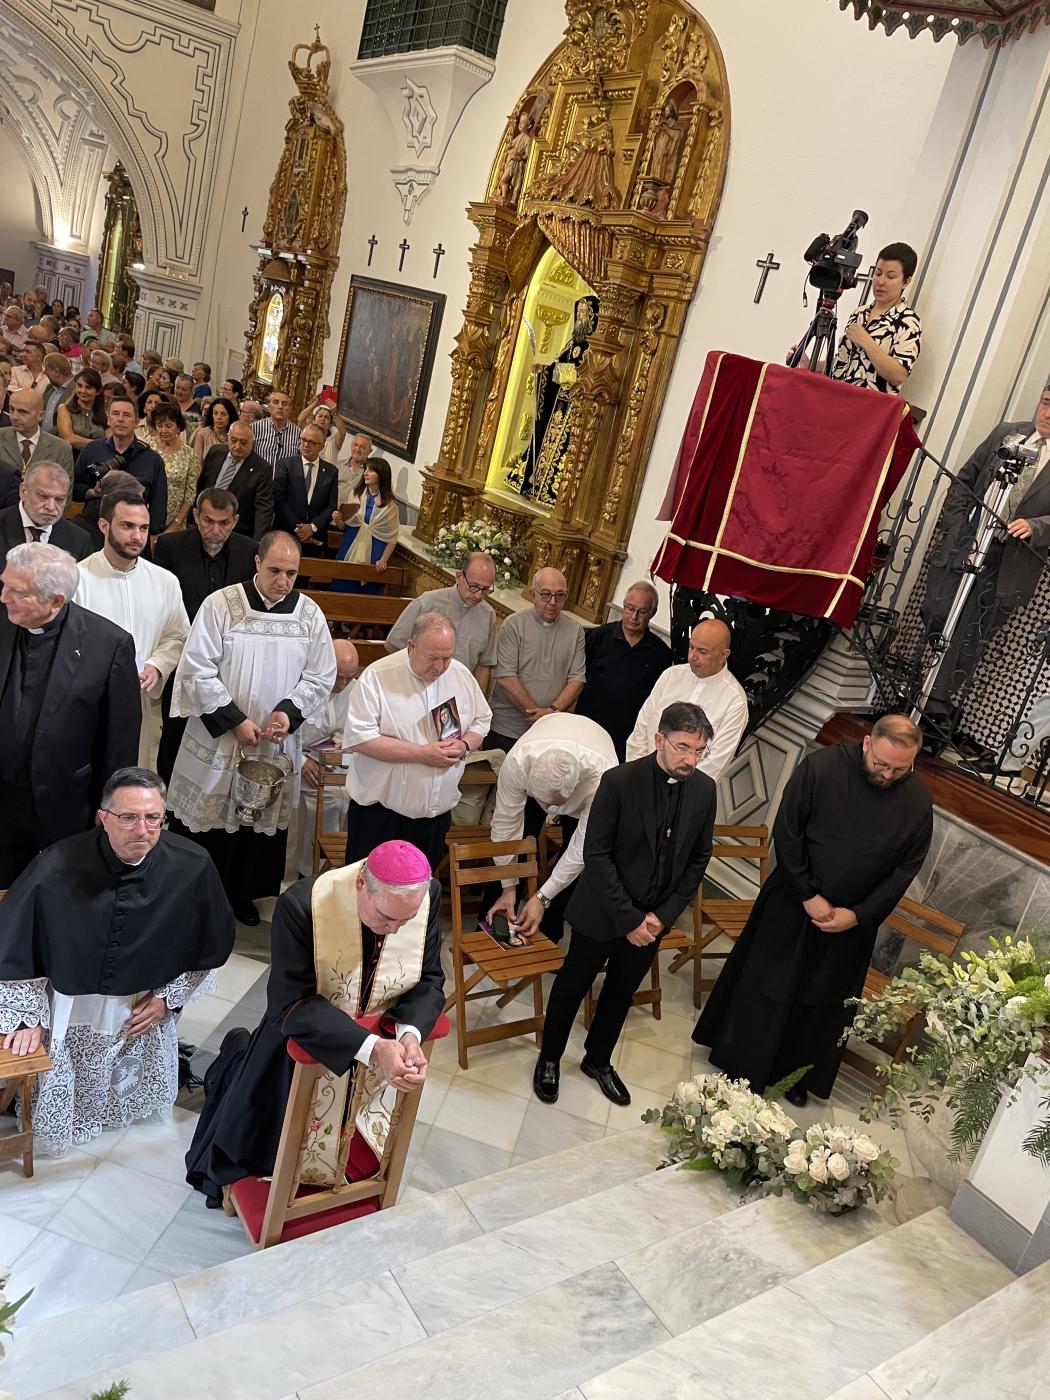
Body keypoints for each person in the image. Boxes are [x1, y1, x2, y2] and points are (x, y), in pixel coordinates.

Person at [185, 840, 444, 1208]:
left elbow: (429, 979)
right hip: (304, 1044)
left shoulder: (427, 895)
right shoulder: (303, 905)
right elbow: (290, 1005)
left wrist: (410, 1035)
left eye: (406, 920)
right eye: (386, 918)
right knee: (260, 1143)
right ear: (360, 886)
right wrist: (375, 1049)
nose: (397, 931)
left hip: (378, 1043)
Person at [693, 716, 933, 1106]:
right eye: (882, 764)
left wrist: (858, 915)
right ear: (867, 744)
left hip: (851, 924)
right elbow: (788, 831)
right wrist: (808, 894)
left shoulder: (918, 801)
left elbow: (907, 868)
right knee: (769, 985)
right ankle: (741, 1062)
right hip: (793, 902)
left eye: (900, 769)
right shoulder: (822, 768)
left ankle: (794, 1076)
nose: (888, 775)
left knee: (820, 1000)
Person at [0, 767, 235, 1157]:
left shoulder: (192, 866)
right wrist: (29, 1015)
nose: (141, 830)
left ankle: (116, 1108)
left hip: (139, 999)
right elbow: (15, 938)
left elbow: (210, 945)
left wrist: (166, 1000)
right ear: (103, 817)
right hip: (71, 998)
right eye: (127, 817)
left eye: (152, 818)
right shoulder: (57, 865)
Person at [534, 702, 716, 1107]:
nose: (691, 759)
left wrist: (660, 917)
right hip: (602, 911)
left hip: (654, 920)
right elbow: (596, 856)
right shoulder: (618, 782)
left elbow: (698, 859)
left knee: (620, 991)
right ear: (659, 740)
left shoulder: (705, 790)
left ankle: (597, 1060)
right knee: (571, 986)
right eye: (683, 747)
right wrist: (630, 918)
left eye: (699, 750)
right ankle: (549, 1059)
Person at [167, 530, 336, 925]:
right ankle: (196, 896)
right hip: (221, 739)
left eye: (292, 573)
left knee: (256, 822)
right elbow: (196, 670)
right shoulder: (222, 605)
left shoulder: (309, 615)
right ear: (257, 563)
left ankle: (240, 896)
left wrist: (286, 714)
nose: (283, 580)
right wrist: (235, 721)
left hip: (273, 743)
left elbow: (320, 676)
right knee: (211, 820)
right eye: (275, 570)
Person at [0, 542, 140, 884]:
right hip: (2, 801)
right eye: (4, 584)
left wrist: (111, 809)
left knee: (61, 896)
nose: (4, 597)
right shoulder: (4, 620)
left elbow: (118, 743)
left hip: (63, 804)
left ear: (55, 601)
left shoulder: (109, 645)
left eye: (17, 592)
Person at [920, 384, 1050, 750]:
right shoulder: (1005, 433)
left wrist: (1038, 528)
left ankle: (934, 709)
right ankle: (929, 697)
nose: (1047, 413)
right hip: (964, 547)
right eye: (1045, 403)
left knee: (970, 635)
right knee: (936, 611)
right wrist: (957, 529)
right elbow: (964, 479)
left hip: (1010, 562)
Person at [343, 613, 492, 868]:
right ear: (411, 646)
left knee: (418, 897)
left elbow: (482, 720)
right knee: (367, 896)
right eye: (432, 658)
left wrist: (465, 744)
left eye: (447, 657)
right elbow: (361, 738)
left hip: (434, 818)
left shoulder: (460, 675)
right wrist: (422, 754)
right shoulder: (378, 677)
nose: (440, 667)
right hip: (382, 818)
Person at [76, 488, 190, 765]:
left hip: (141, 698)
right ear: (104, 525)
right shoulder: (78, 579)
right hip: (89, 700)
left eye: (143, 527)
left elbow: (177, 636)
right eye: (127, 526)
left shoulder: (165, 581)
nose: (137, 536)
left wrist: (157, 665)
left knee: (135, 776)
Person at [153, 486, 258, 781]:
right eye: (208, 521)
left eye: (224, 523)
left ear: (235, 521)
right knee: (176, 728)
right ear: (196, 516)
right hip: (182, 654)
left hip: (228, 659)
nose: (215, 530)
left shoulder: (250, 552)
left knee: (220, 732)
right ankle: (170, 793)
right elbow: (161, 602)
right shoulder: (170, 547)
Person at [485, 712, 618, 941]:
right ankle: (498, 921)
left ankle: (548, 930)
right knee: (522, 838)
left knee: (573, 858)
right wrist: (508, 886)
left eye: (553, 804)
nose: (548, 810)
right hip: (544, 747)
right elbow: (505, 828)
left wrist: (543, 897)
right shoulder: (517, 761)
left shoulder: (605, 779)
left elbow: (581, 849)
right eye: (543, 803)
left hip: (594, 760)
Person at [627, 619, 748, 782]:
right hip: (639, 776)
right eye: (691, 647)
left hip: (681, 794)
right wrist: (636, 774)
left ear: (723, 656)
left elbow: (714, 765)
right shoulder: (671, 675)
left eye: (702, 652)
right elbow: (642, 728)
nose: (692, 657)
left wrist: (669, 790)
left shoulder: (734, 701)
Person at [486, 567, 586, 752]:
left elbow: (577, 679)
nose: (552, 602)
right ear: (533, 594)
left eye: (560, 595)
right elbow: (506, 676)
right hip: (507, 729)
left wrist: (551, 713)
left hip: (548, 733)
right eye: (546, 594)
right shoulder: (514, 625)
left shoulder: (575, 630)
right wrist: (537, 715)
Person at [575, 580, 673, 759]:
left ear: (653, 613)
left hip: (625, 740)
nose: (633, 616)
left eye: (642, 611)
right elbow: (577, 679)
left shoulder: (661, 654)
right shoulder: (598, 638)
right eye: (629, 608)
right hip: (586, 728)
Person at [384, 550, 499, 692]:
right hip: (419, 686)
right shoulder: (427, 603)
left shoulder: (487, 615)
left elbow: (483, 666)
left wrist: (477, 703)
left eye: (486, 589)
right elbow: (393, 645)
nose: (478, 595)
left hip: (457, 691)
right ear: (459, 577)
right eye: (474, 586)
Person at [293, 639, 358, 878]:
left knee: (352, 797)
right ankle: (307, 871)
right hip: (298, 760)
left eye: (348, 677)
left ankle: (342, 869)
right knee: (326, 801)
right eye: (338, 676)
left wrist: (344, 743)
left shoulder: (356, 689)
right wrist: (300, 760)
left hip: (335, 762)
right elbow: (280, 732)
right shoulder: (300, 683)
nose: (342, 684)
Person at [828, 243, 921, 395]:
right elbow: (842, 365)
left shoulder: (909, 321)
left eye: (890, 276)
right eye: (878, 273)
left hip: (869, 410)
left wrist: (865, 341)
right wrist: (809, 363)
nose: (881, 281)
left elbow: (898, 375)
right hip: (836, 399)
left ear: (906, 281)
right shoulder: (860, 312)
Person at [75, 395, 168, 536]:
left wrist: (150, 536)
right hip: (94, 530)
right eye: (115, 414)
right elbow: (74, 488)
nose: (120, 419)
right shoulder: (91, 450)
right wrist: (93, 492)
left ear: (136, 422)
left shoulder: (152, 459)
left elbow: (158, 507)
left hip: (134, 533)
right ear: (108, 419)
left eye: (126, 415)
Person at [0, 461, 91, 570]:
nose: (51, 507)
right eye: (43, 496)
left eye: (59, 499)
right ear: (23, 491)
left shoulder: (80, 540)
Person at [199, 419, 274, 540]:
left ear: (253, 443)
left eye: (244, 442)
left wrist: (257, 542)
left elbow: (263, 508)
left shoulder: (262, 468)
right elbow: (201, 486)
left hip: (238, 532)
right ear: (227, 438)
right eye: (233, 440)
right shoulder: (215, 452)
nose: (237, 446)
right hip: (206, 525)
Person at [333, 456, 399, 592]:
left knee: (366, 592)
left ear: (381, 475)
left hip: (375, 551)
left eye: (371, 470)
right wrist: (339, 519)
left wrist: (384, 560)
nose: (366, 473)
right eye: (366, 469)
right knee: (342, 585)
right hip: (350, 544)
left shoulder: (391, 506)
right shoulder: (355, 494)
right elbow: (344, 526)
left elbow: (392, 538)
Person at [273, 422, 338, 554]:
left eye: (312, 442)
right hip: (286, 533)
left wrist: (313, 527)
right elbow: (279, 500)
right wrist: (298, 529)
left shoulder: (331, 471)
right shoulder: (285, 465)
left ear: (322, 446)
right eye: (303, 440)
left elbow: (331, 506)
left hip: (314, 538)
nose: (306, 444)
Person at [0, 388, 75, 483]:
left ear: (40, 416)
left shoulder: (61, 450)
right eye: (12, 409)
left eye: (23, 412)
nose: (14, 417)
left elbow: (64, 494)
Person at [150, 402, 197, 530]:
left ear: (178, 427)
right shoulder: (147, 447)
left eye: (169, 426)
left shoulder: (189, 453)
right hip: (146, 518)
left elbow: (190, 493)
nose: (163, 430)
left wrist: (176, 523)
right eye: (159, 426)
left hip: (177, 522)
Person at [56, 366, 107, 461]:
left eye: (88, 387)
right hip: (71, 459)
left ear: (98, 391)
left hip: (97, 461)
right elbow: (69, 438)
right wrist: (98, 445)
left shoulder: (105, 412)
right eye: (79, 385)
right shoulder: (64, 409)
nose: (83, 391)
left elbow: (110, 442)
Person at [251, 388, 302, 467]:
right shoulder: (255, 428)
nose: (280, 407)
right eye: (275, 402)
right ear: (268, 406)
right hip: (259, 477)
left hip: (285, 478)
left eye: (284, 403)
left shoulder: (298, 433)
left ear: (290, 408)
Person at [191, 395, 236, 470]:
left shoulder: (235, 434)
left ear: (230, 415)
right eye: (215, 413)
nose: (219, 417)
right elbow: (196, 463)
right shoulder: (202, 433)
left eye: (223, 414)